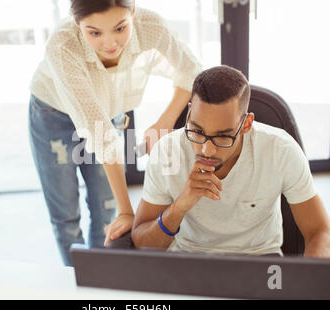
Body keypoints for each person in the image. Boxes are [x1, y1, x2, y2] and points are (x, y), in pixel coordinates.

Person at [28, 0, 202, 265]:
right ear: (77, 24)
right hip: (54, 115)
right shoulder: (63, 46)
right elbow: (103, 137)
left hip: (109, 112)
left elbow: (192, 71)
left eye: (120, 28)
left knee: (105, 207)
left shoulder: (150, 26)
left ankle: (99, 274)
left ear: (133, 11)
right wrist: (127, 211)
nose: (110, 43)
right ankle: (78, 277)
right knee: (65, 213)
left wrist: (165, 120)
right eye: (94, 32)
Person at [131, 65, 330, 258]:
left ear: (246, 124)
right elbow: (141, 242)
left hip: (261, 260)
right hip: (189, 260)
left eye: (222, 137)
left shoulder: (281, 150)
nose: (206, 150)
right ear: (190, 112)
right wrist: (179, 207)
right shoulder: (166, 152)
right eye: (198, 132)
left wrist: (307, 283)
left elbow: (320, 232)